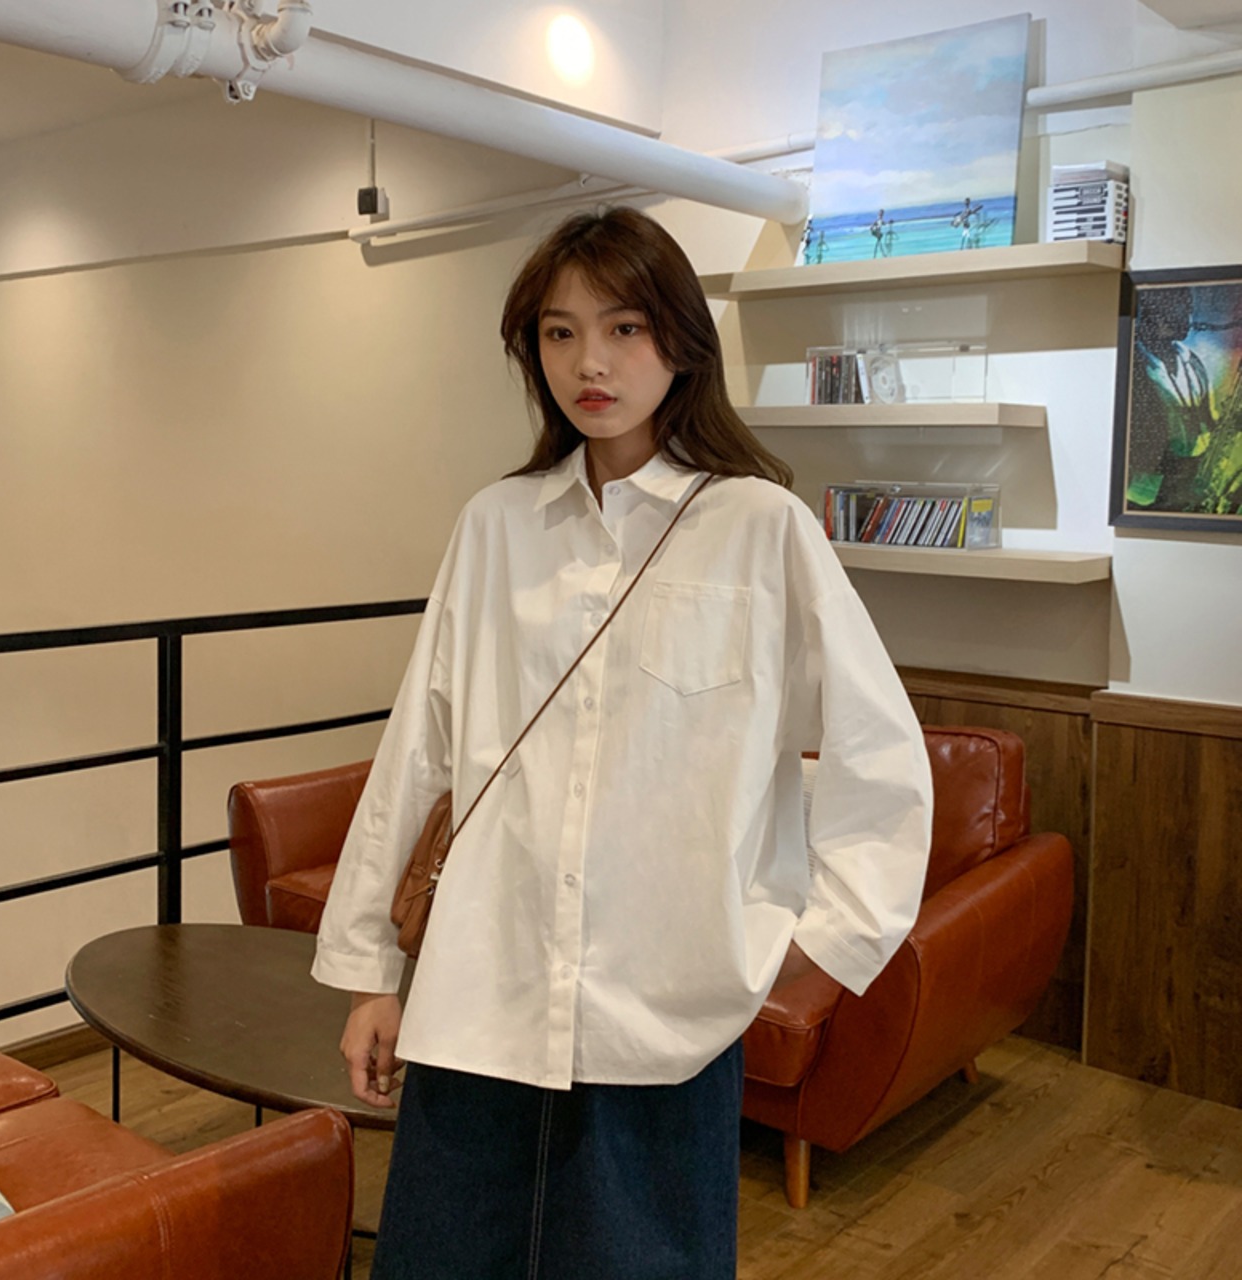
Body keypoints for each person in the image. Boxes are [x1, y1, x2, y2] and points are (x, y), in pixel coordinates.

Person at [312, 206, 933, 1280]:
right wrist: (370, 970)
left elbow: (878, 752)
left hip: (663, 1015)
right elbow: (421, 746)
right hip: (481, 993)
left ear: (680, 341)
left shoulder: (758, 527)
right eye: (558, 333)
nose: (588, 362)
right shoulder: (497, 525)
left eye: (623, 328)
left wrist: (820, 941)